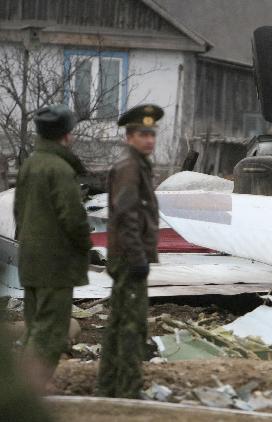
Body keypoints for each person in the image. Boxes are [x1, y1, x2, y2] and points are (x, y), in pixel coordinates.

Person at [13, 104, 91, 383]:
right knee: (50, 334)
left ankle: (21, 391)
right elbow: (73, 218)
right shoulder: (59, 168)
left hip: (31, 261)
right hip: (54, 265)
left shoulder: (31, 164)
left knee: (35, 329)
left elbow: (18, 213)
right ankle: (28, 395)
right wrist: (86, 246)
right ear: (66, 135)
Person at [97, 104, 163, 398]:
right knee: (131, 325)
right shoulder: (130, 167)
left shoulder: (137, 165)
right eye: (142, 134)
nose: (149, 140)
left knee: (119, 321)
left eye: (151, 134)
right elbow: (126, 214)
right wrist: (138, 257)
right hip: (128, 257)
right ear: (129, 137)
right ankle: (127, 390)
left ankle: (109, 386)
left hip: (126, 255)